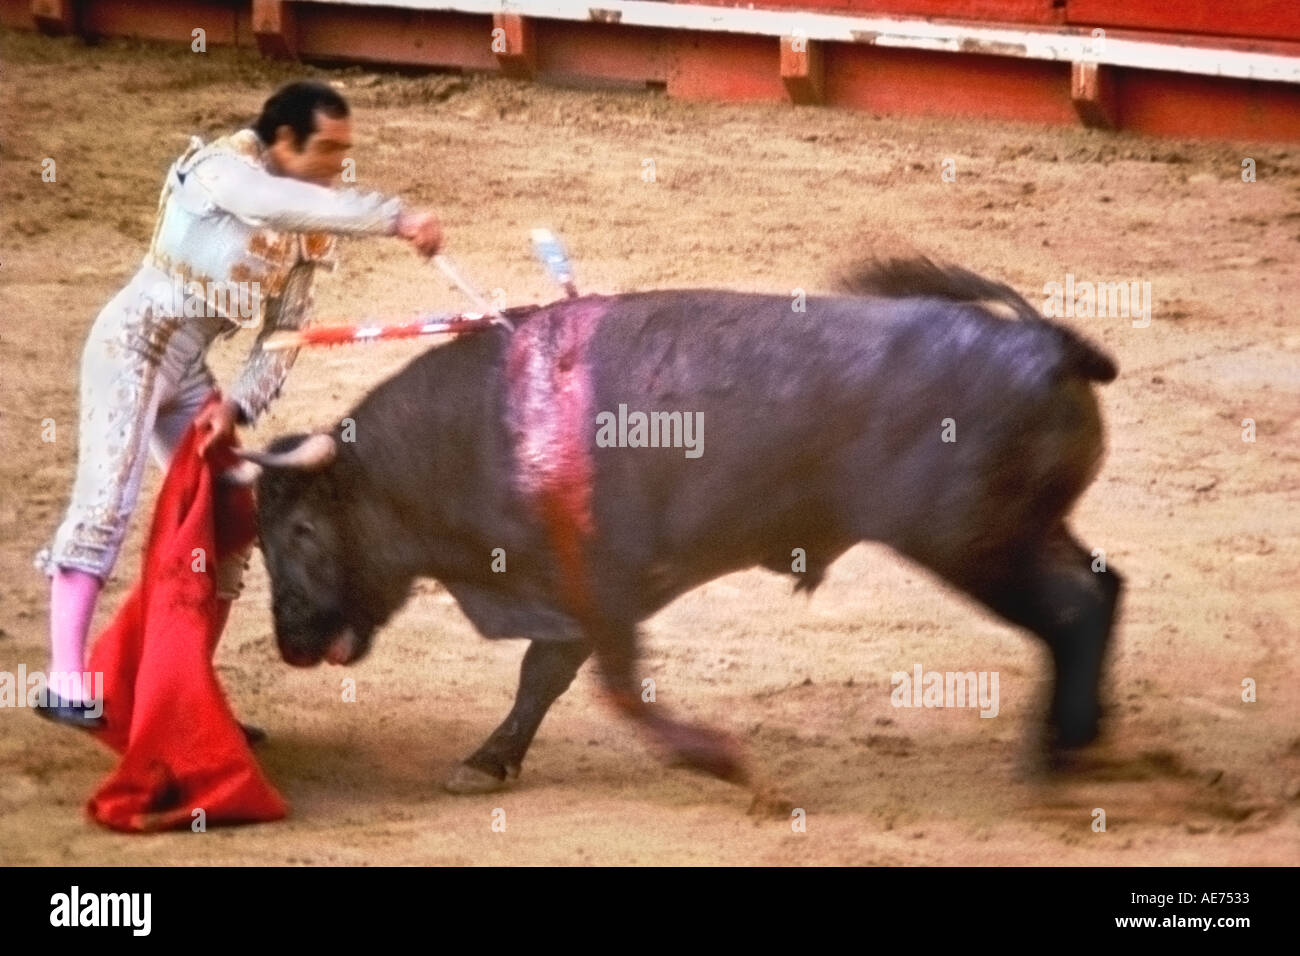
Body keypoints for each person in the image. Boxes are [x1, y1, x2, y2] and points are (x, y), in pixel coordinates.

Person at [33, 80, 442, 732]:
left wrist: (241, 408)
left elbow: (284, 335)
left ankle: (182, 696)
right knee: (106, 503)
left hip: (189, 370)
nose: (341, 166)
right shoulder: (225, 171)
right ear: (284, 141)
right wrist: (393, 217)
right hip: (129, 348)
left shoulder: (310, 223)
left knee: (225, 522)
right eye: (330, 151)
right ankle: (62, 679)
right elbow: (275, 203)